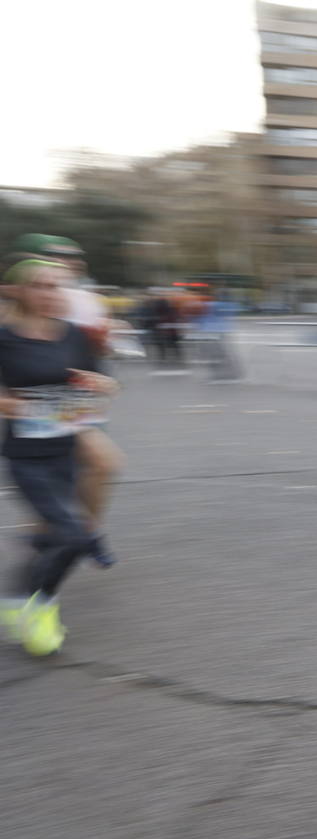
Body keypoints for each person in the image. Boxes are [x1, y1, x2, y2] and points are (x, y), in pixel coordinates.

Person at [0, 259, 118, 656]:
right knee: (72, 536)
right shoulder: (5, 338)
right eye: (41, 286)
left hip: (68, 451)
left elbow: (101, 382)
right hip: (28, 456)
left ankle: (18, 605)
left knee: (55, 538)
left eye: (57, 286)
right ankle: (40, 608)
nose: (50, 293)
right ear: (20, 291)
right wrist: (13, 406)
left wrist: (102, 384)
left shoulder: (74, 336)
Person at [12, 236, 122, 567]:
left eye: (71, 258)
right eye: (59, 257)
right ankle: (57, 543)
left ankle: (84, 532)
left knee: (105, 464)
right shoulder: (15, 309)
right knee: (53, 489)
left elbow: (94, 362)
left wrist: (101, 363)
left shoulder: (83, 301)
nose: (68, 262)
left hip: (69, 406)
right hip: (27, 411)